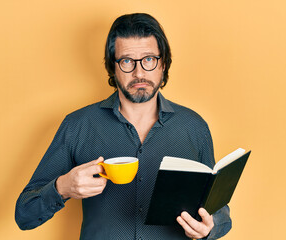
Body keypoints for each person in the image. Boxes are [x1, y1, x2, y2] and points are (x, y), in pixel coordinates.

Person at [15, 13, 232, 239]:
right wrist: (62, 188)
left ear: (163, 64)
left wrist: (210, 227)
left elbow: (220, 213)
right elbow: (24, 214)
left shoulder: (193, 127)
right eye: (127, 61)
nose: (139, 73)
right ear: (113, 67)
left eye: (149, 59)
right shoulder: (78, 125)